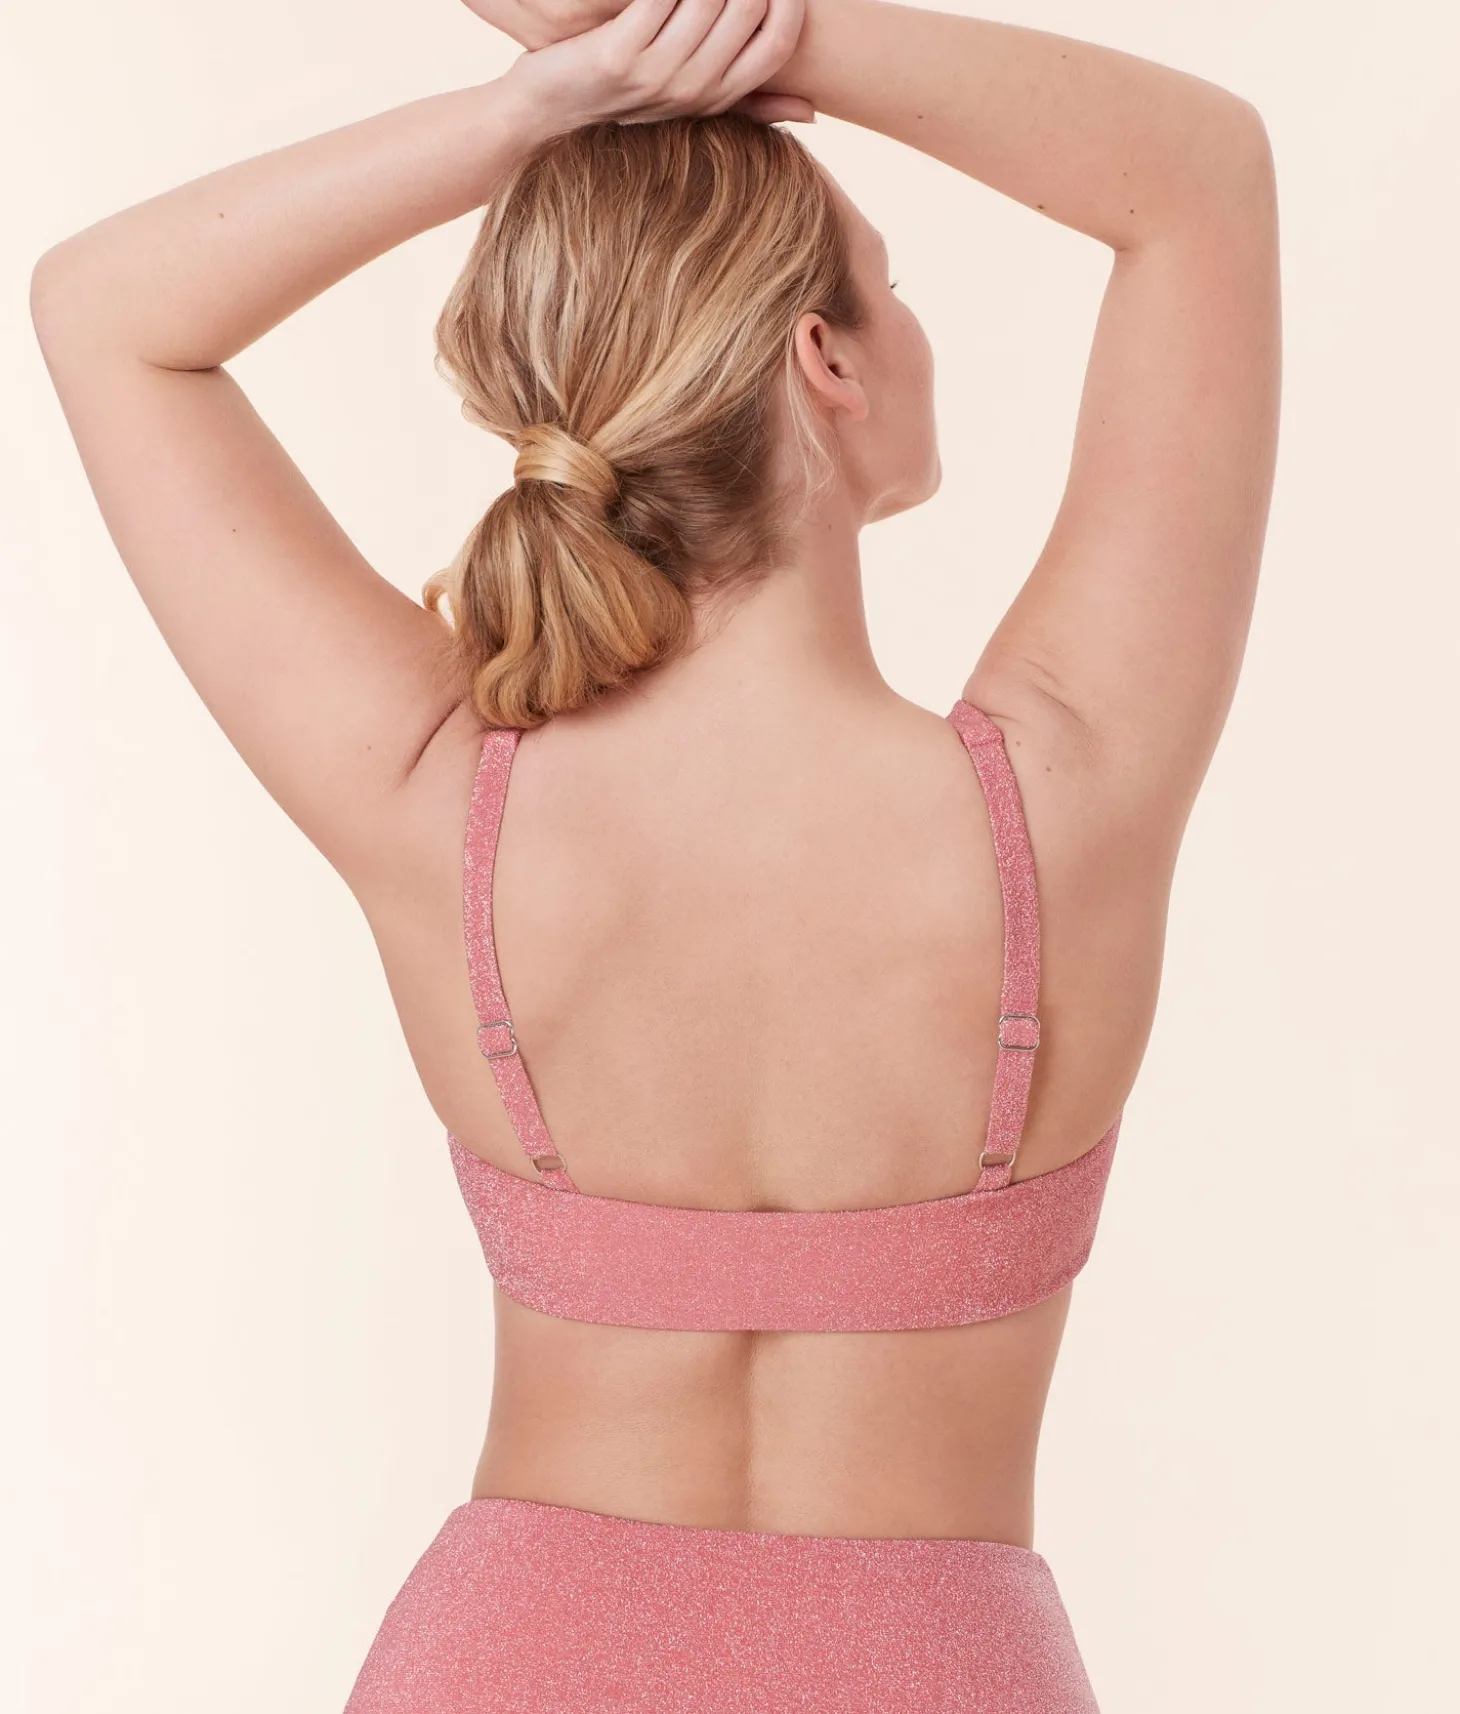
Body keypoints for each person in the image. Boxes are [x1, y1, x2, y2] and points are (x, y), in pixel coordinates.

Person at [29, 0, 1280, 1706]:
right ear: (826, 362)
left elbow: (105, 312)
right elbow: (1201, 181)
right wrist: (773, 29)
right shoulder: (1065, 798)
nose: (913, 324)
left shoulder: (441, 800)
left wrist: (552, 98)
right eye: (891, 285)